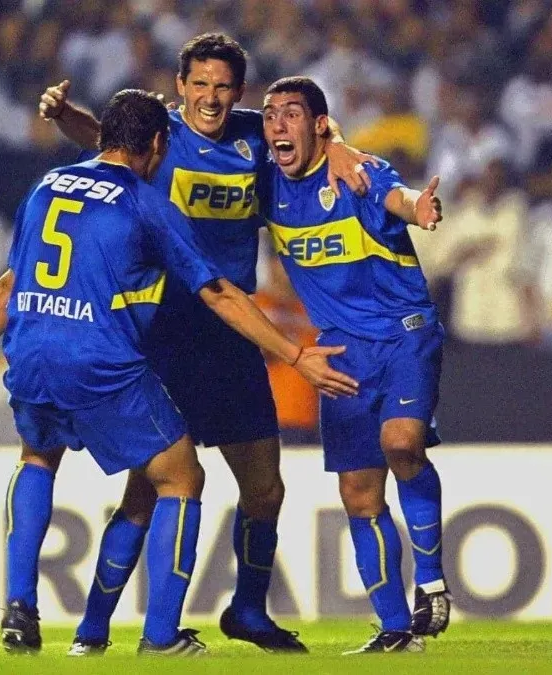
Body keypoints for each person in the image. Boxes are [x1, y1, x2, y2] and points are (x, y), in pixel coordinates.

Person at [0, 90, 356, 657]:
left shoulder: (48, 186)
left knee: (36, 458)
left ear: (102, 139)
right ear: (156, 144)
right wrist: (294, 355)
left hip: (29, 349)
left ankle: (21, 607)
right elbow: (218, 291)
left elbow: (9, 282)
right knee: (180, 477)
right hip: (97, 360)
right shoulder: (142, 202)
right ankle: (162, 637)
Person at [38, 33, 374, 654]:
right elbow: (102, 144)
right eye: (200, 85)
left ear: (237, 91)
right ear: (180, 86)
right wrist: (65, 116)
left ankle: (247, 610)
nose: (210, 99)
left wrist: (344, 149)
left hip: (231, 329)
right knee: (148, 490)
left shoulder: (255, 136)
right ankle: (92, 629)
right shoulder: (160, 135)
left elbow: (311, 138)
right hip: (165, 330)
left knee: (265, 487)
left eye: (222, 87)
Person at [257, 76, 450, 654]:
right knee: (358, 495)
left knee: (400, 442)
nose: (277, 127)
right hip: (340, 349)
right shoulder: (266, 185)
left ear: (319, 124)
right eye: (270, 117)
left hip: (403, 333)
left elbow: (398, 197)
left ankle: (433, 582)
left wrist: (418, 208)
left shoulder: (355, 169)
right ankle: (396, 631)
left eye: (292, 114)